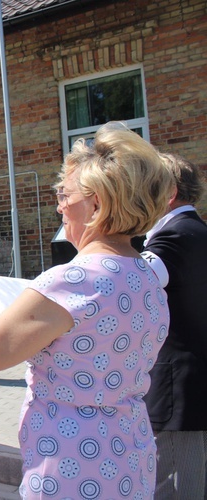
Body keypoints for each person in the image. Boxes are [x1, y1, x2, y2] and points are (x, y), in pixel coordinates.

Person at [0, 123, 174, 499]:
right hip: (128, 451)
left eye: (64, 193)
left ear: (97, 204)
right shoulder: (147, 273)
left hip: (73, 460)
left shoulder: (72, 279)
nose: (58, 204)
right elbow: (87, 349)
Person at [140, 153, 207, 499]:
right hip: (189, 386)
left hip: (177, 391)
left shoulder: (173, 238)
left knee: (172, 488)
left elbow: (126, 286)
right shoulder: (196, 231)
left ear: (167, 194)